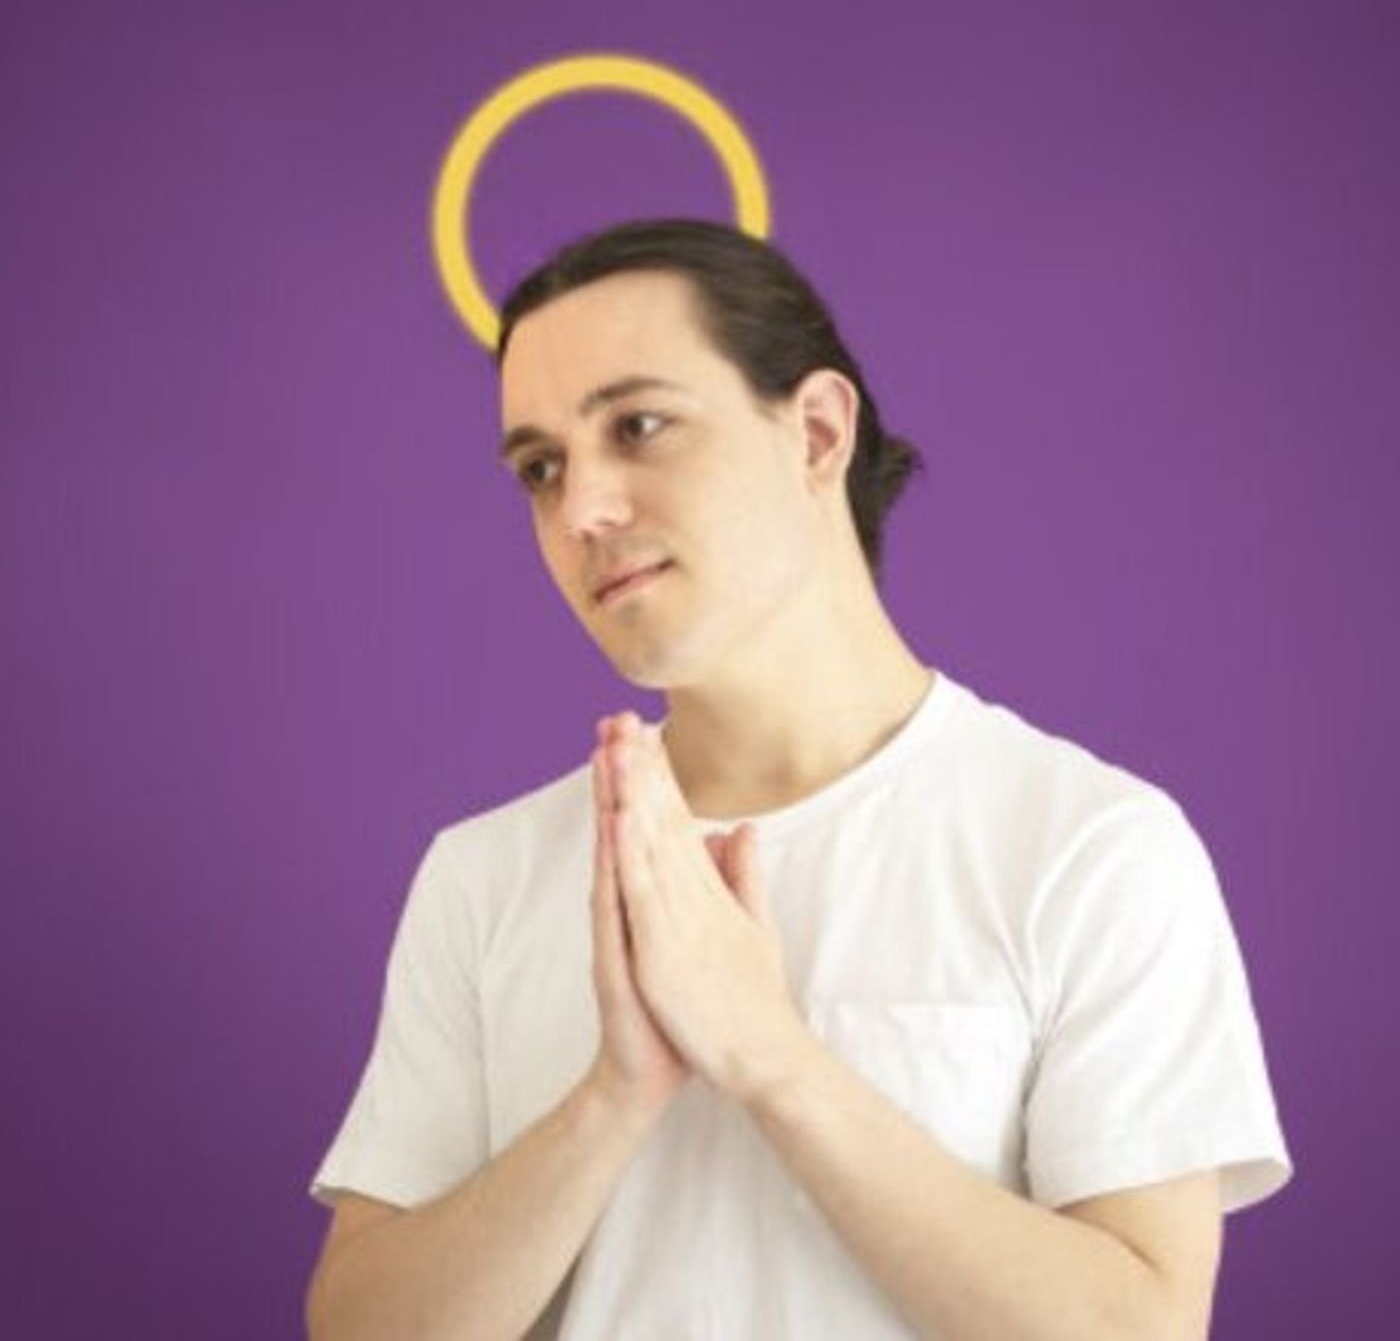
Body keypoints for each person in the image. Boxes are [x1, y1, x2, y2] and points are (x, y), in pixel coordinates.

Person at [303, 218, 1292, 1339]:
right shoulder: (484, 875)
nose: (581, 510)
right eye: (541, 468)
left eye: (639, 426)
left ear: (816, 432)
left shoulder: (1089, 848)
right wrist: (613, 1096)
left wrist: (770, 1058)